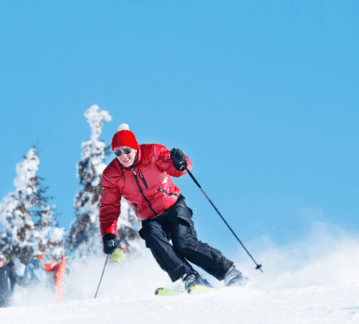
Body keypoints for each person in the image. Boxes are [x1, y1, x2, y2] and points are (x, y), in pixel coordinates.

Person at [99, 124, 248, 293]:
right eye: (117, 152)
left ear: (135, 147)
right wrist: (108, 235)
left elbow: (179, 168)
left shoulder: (153, 152)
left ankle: (230, 272)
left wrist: (180, 162)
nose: (123, 156)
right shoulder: (112, 175)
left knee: (183, 243)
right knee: (151, 236)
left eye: (127, 150)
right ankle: (190, 278)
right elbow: (109, 208)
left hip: (173, 206)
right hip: (150, 218)